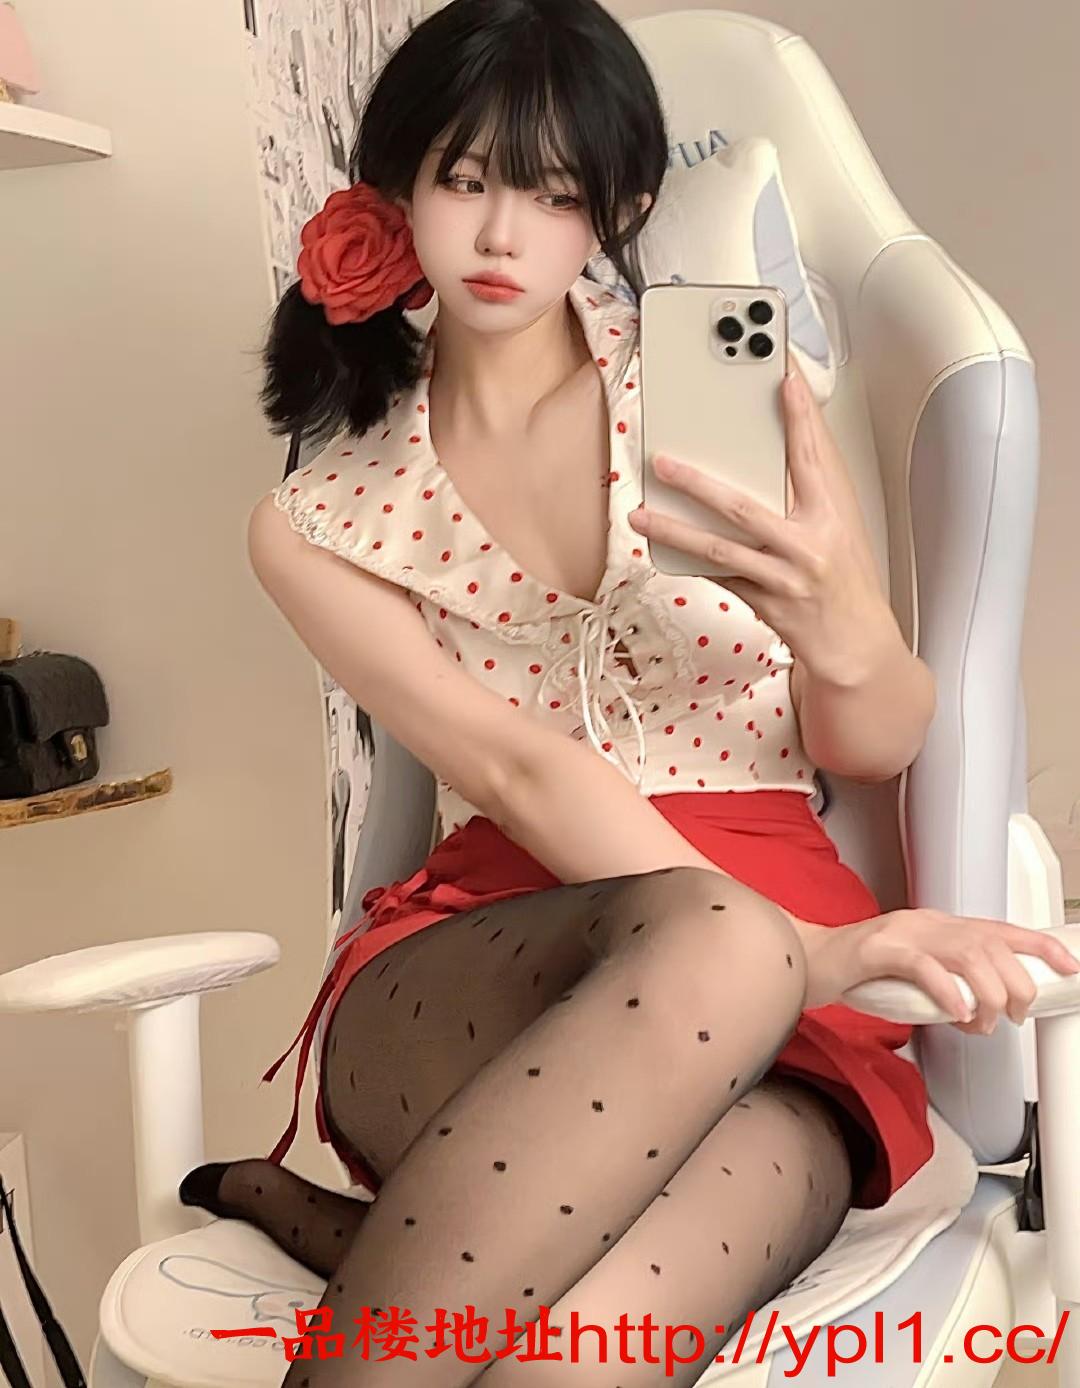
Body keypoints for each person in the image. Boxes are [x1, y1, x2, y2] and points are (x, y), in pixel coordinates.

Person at [179, 0, 1078, 1381]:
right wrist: (807, 951)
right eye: (467, 180)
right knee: (726, 942)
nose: (502, 234)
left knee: (568, 1358)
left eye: (555, 195)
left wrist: (841, 625)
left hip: (780, 1026)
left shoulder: (727, 390)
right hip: (480, 966)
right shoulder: (321, 519)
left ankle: (374, 1256)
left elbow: (877, 741)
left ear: (620, 207)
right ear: (398, 184)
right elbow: (519, 769)